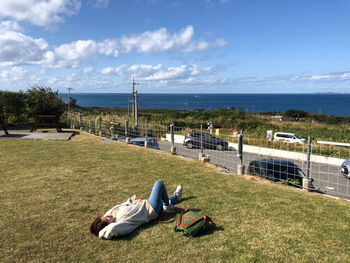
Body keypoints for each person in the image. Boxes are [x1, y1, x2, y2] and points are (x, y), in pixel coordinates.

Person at [90, 180, 183, 239]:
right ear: (107, 225)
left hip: (145, 204)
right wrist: (101, 233)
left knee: (161, 198)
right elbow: (110, 230)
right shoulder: (119, 223)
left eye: (105, 216)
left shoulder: (111, 213)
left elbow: (121, 207)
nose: (108, 215)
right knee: (159, 184)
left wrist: (131, 201)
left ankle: (176, 197)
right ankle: (167, 205)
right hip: (151, 209)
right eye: (107, 219)